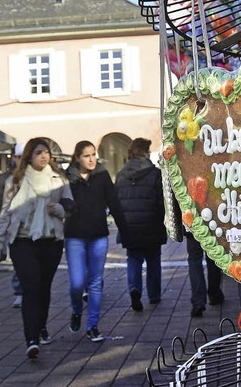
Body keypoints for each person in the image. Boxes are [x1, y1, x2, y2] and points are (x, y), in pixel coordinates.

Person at [0, 137, 73, 360]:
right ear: (29, 155)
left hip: (51, 241)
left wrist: (59, 209)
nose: (44, 156)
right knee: (31, 287)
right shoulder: (16, 180)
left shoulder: (60, 179)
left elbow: (70, 206)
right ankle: (31, 338)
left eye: (46, 152)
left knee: (43, 287)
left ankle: (41, 326)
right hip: (22, 240)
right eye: (38, 152)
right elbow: (5, 213)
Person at [65, 140, 126, 342]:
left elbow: (114, 203)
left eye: (93, 154)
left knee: (95, 282)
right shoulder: (68, 177)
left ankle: (93, 326)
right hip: (74, 236)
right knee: (76, 283)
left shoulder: (102, 175)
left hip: (98, 236)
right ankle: (76, 310)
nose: (91, 159)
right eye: (86, 155)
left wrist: (124, 229)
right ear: (77, 157)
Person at [115, 138, 167, 312]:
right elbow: (161, 201)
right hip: (151, 224)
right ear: (146, 153)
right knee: (153, 260)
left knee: (134, 259)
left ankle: (134, 289)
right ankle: (154, 295)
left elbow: (117, 201)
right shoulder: (154, 173)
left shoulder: (121, 174)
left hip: (129, 226)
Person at [0, 142, 25, 308]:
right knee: (18, 264)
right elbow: (2, 206)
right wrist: (1, 233)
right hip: (15, 228)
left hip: (35, 230)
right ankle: (19, 292)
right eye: (19, 157)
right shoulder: (7, 179)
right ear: (14, 158)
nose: (22, 160)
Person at [185, 231, 225, 317]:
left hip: (191, 225)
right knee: (213, 258)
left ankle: (198, 302)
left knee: (194, 260)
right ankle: (215, 293)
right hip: (210, 224)